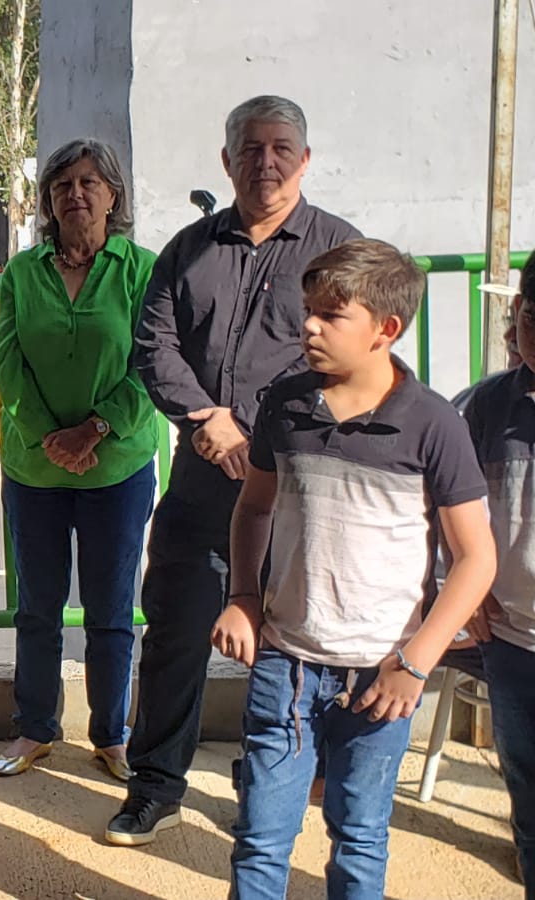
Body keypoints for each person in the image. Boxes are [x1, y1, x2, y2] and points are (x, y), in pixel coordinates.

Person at [109, 94, 362, 845]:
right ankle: (155, 786)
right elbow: (153, 345)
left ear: (305, 160)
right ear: (227, 161)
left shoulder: (338, 251)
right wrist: (207, 419)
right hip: (200, 485)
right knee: (174, 634)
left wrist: (253, 430)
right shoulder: (189, 249)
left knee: (287, 649)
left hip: (295, 492)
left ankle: (268, 788)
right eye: (251, 148)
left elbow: (344, 359)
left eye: (281, 148)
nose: (266, 162)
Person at [213, 238, 496, 899]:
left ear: (385, 330)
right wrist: (244, 596)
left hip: (383, 675)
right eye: (308, 311)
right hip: (287, 664)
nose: (309, 327)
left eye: (331, 315)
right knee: (260, 838)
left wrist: (415, 663)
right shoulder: (285, 405)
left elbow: (476, 557)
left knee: (360, 837)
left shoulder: (433, 424)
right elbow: (254, 507)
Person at [0, 138, 159, 782]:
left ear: (113, 196)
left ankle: (112, 736)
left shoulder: (141, 270)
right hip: (35, 468)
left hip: (116, 467)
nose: (76, 194)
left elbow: (153, 362)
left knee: (112, 611)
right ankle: (34, 729)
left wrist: (93, 431)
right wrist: (51, 438)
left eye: (89, 183)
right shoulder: (22, 272)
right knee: (38, 607)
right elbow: (6, 362)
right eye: (62, 185)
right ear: (48, 203)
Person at [461, 256, 535, 896]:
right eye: (533, 318)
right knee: (528, 794)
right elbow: (449, 514)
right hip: (512, 638)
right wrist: (471, 592)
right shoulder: (485, 407)